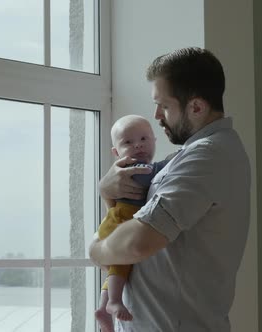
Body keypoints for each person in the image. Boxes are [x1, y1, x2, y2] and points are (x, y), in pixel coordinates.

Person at [89, 47, 251, 332]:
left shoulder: (207, 157)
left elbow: (137, 243)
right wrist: (107, 192)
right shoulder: (185, 158)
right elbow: (130, 223)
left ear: (196, 107)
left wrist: (96, 250)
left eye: (163, 106)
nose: (156, 115)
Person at [94, 114, 169, 332]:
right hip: (119, 220)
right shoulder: (132, 167)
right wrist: (171, 161)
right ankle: (113, 301)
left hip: (118, 219)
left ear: (154, 140)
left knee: (118, 267)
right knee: (121, 263)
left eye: (144, 139)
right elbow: (148, 175)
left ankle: (103, 306)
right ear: (116, 152)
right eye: (128, 142)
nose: (138, 145)